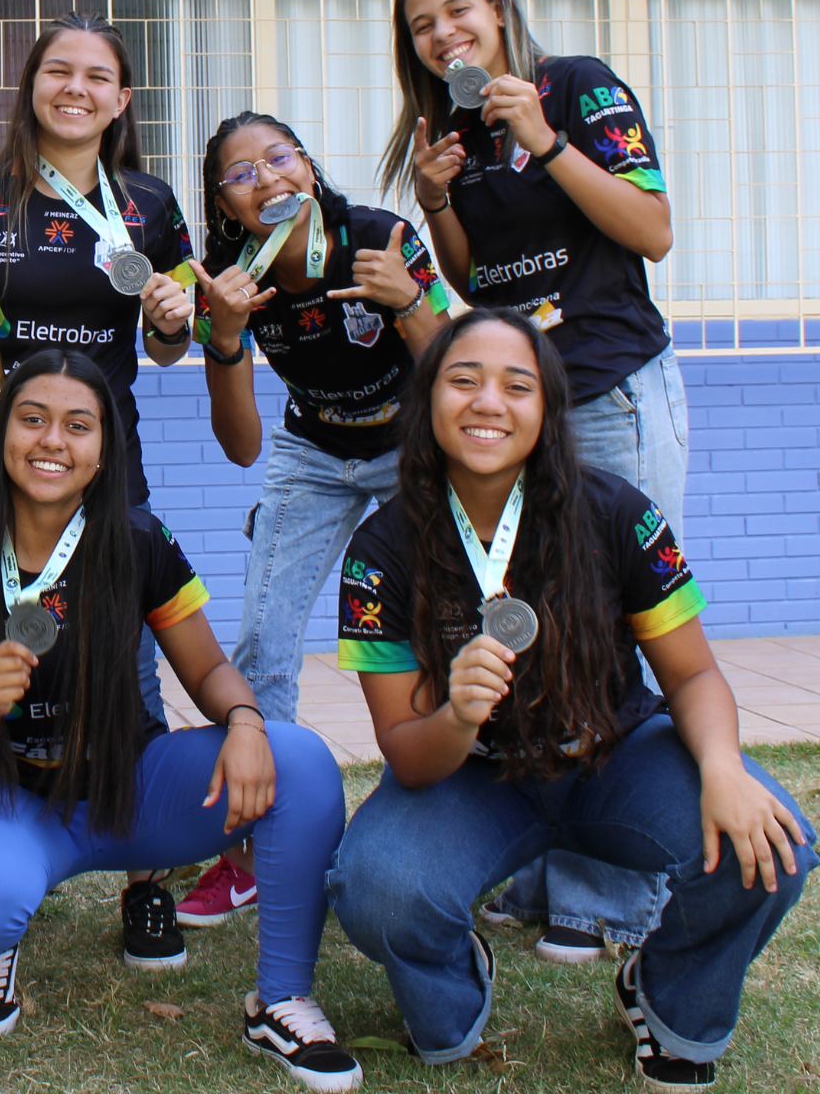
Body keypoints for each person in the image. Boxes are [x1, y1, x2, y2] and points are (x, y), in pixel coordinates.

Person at [329, 308, 811, 1088]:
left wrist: (723, 766)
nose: (489, 401)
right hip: (470, 778)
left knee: (772, 846)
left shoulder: (615, 511)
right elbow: (408, 757)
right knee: (378, 887)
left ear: (548, 410)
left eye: (518, 386)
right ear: (428, 402)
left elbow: (691, 675)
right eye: (464, 380)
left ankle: (667, 999)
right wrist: (455, 714)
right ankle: (455, 985)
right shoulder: (383, 548)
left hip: (612, 757)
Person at [0, 350, 362, 1094]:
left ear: (105, 448)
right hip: (13, 806)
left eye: (79, 426)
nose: (54, 441)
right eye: (33, 419)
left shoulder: (139, 537)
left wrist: (243, 720)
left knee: (297, 761)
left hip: (129, 790)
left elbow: (206, 671)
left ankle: (280, 1000)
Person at [385, 0, 685, 964]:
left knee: (618, 617)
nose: (440, 35)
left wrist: (546, 140)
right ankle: (538, 860)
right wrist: (433, 203)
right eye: (421, 25)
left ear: (499, 10)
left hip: (608, 386)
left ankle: (612, 888)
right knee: (536, 619)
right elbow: (482, 283)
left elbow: (648, 230)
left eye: (454, 11)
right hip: (526, 408)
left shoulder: (577, 86)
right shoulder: (452, 131)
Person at [0, 11, 198, 961]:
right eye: (57, 71)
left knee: (128, 661)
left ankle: (146, 878)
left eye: (96, 75)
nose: (75, 88)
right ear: (31, 87)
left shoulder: (150, 204)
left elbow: (169, 344)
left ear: (122, 99)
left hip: (102, 472)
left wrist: (169, 315)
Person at [174, 111, 450, 926]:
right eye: (242, 173)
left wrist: (407, 304)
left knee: (439, 629)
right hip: (311, 455)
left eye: (280, 158)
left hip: (414, 451)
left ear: (309, 165)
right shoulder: (224, 275)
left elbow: (457, 370)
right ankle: (256, 849)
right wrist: (222, 336)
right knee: (261, 638)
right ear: (225, 208)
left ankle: (445, 821)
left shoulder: (380, 237)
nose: (268, 179)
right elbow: (242, 445)